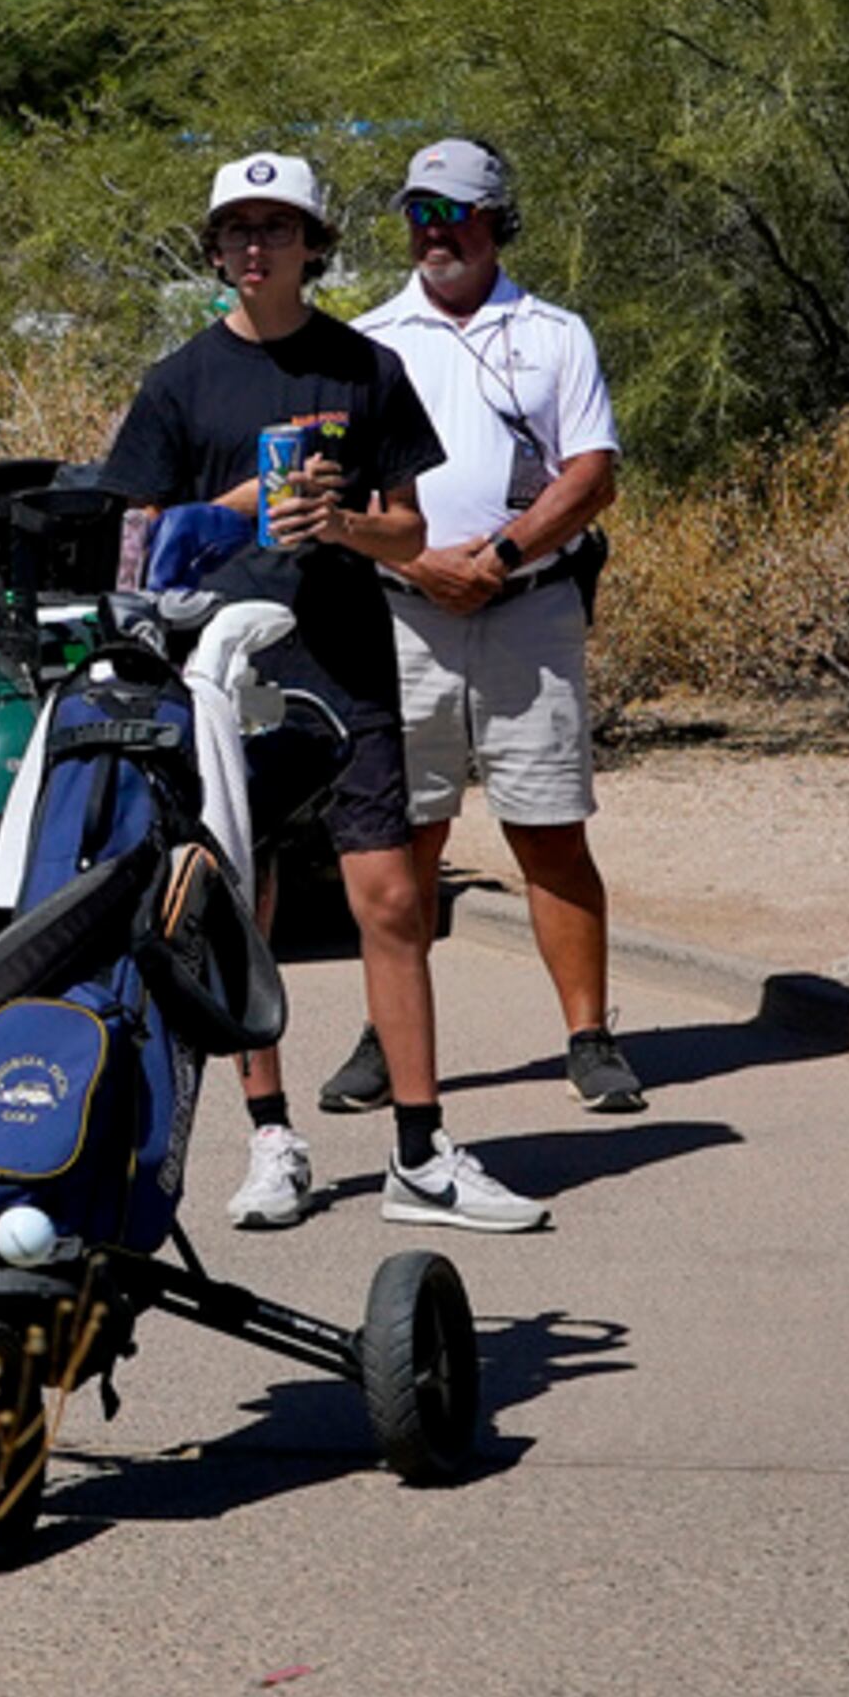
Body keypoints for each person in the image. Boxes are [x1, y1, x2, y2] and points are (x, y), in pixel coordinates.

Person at [103, 152, 542, 1233]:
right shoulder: (178, 382)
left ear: (313, 244)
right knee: (242, 906)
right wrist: (237, 512)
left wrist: (338, 523)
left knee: (391, 900)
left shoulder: (364, 367)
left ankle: (420, 1149)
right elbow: (130, 553)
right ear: (215, 249)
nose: (258, 247)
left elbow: (410, 531)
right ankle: (271, 1139)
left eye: (279, 228)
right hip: (226, 674)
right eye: (238, 230)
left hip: (345, 661)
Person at [333, 138, 640, 1118]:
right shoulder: (367, 340)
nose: (437, 234)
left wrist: (497, 558)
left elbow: (591, 472)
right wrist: (416, 560)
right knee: (408, 836)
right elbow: (338, 491)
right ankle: (388, 1035)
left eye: (456, 213)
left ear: (497, 219)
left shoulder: (554, 333)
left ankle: (588, 1037)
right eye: (421, 214)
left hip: (528, 609)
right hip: (404, 616)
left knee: (548, 830)